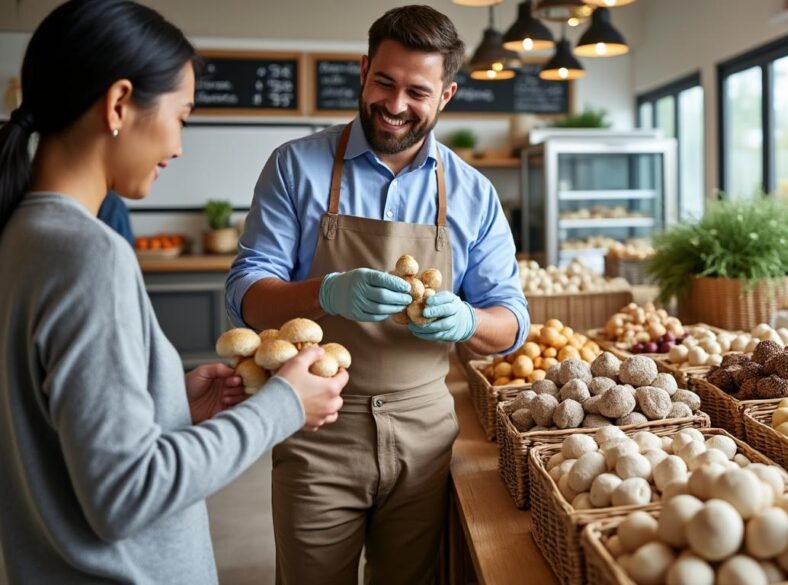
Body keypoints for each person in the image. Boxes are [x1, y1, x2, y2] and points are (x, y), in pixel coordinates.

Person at [0, 1, 347, 583]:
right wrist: (281, 407)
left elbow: (58, 439)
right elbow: (126, 495)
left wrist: (169, 405)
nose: (180, 145)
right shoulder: (89, 254)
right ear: (118, 105)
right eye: (182, 117)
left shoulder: (21, 235)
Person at [225, 5, 528, 583]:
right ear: (363, 71)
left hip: (427, 437)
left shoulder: (473, 193)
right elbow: (244, 294)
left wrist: (467, 321)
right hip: (314, 425)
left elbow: (512, 322)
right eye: (384, 82)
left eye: (417, 91)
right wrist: (327, 292)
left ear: (446, 96)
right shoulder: (295, 167)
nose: (394, 105)